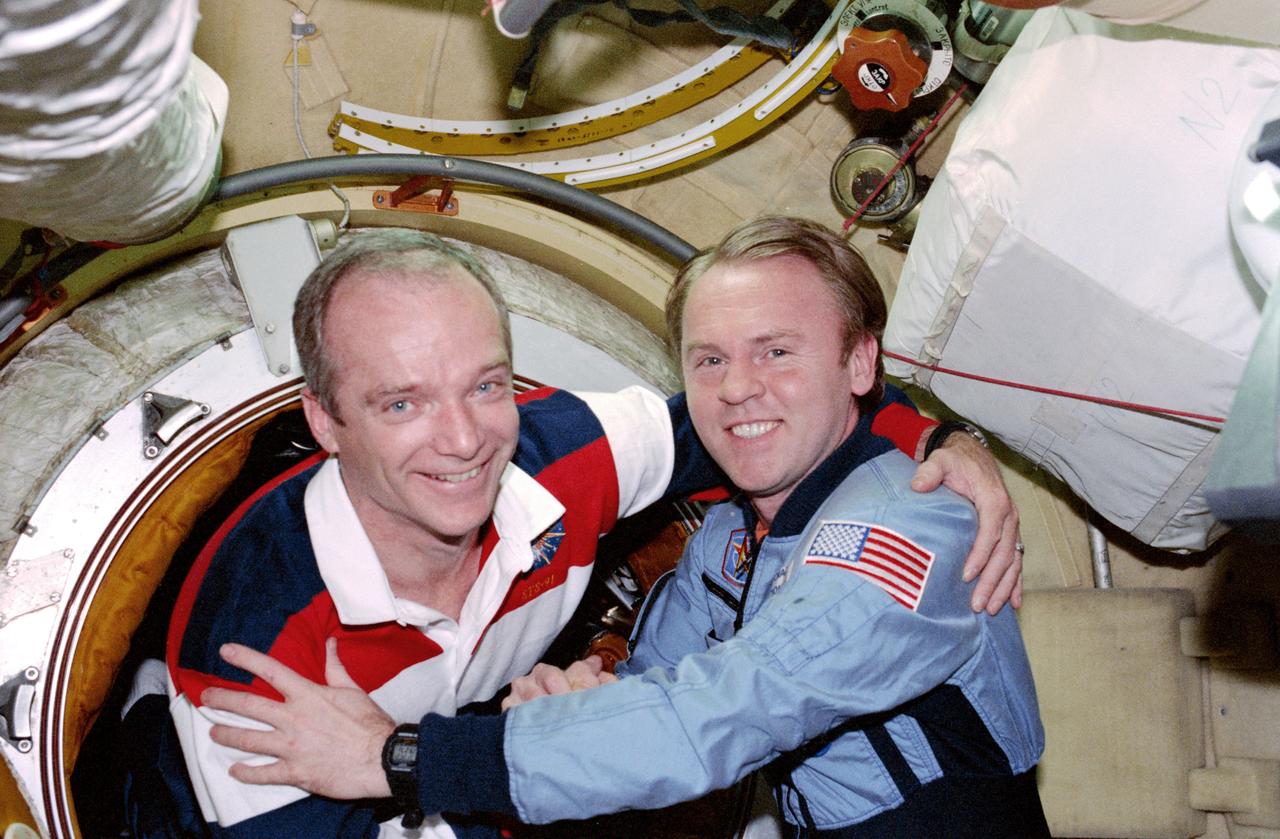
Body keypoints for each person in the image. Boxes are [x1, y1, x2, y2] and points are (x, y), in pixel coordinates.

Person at [151, 225, 1025, 838]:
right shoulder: (248, 662)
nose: (463, 440)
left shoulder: (902, 533)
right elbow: (656, 685)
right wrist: (584, 701)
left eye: (488, 385)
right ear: (325, 420)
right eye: (403, 401)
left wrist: (929, 432)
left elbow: (710, 716)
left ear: (861, 360)